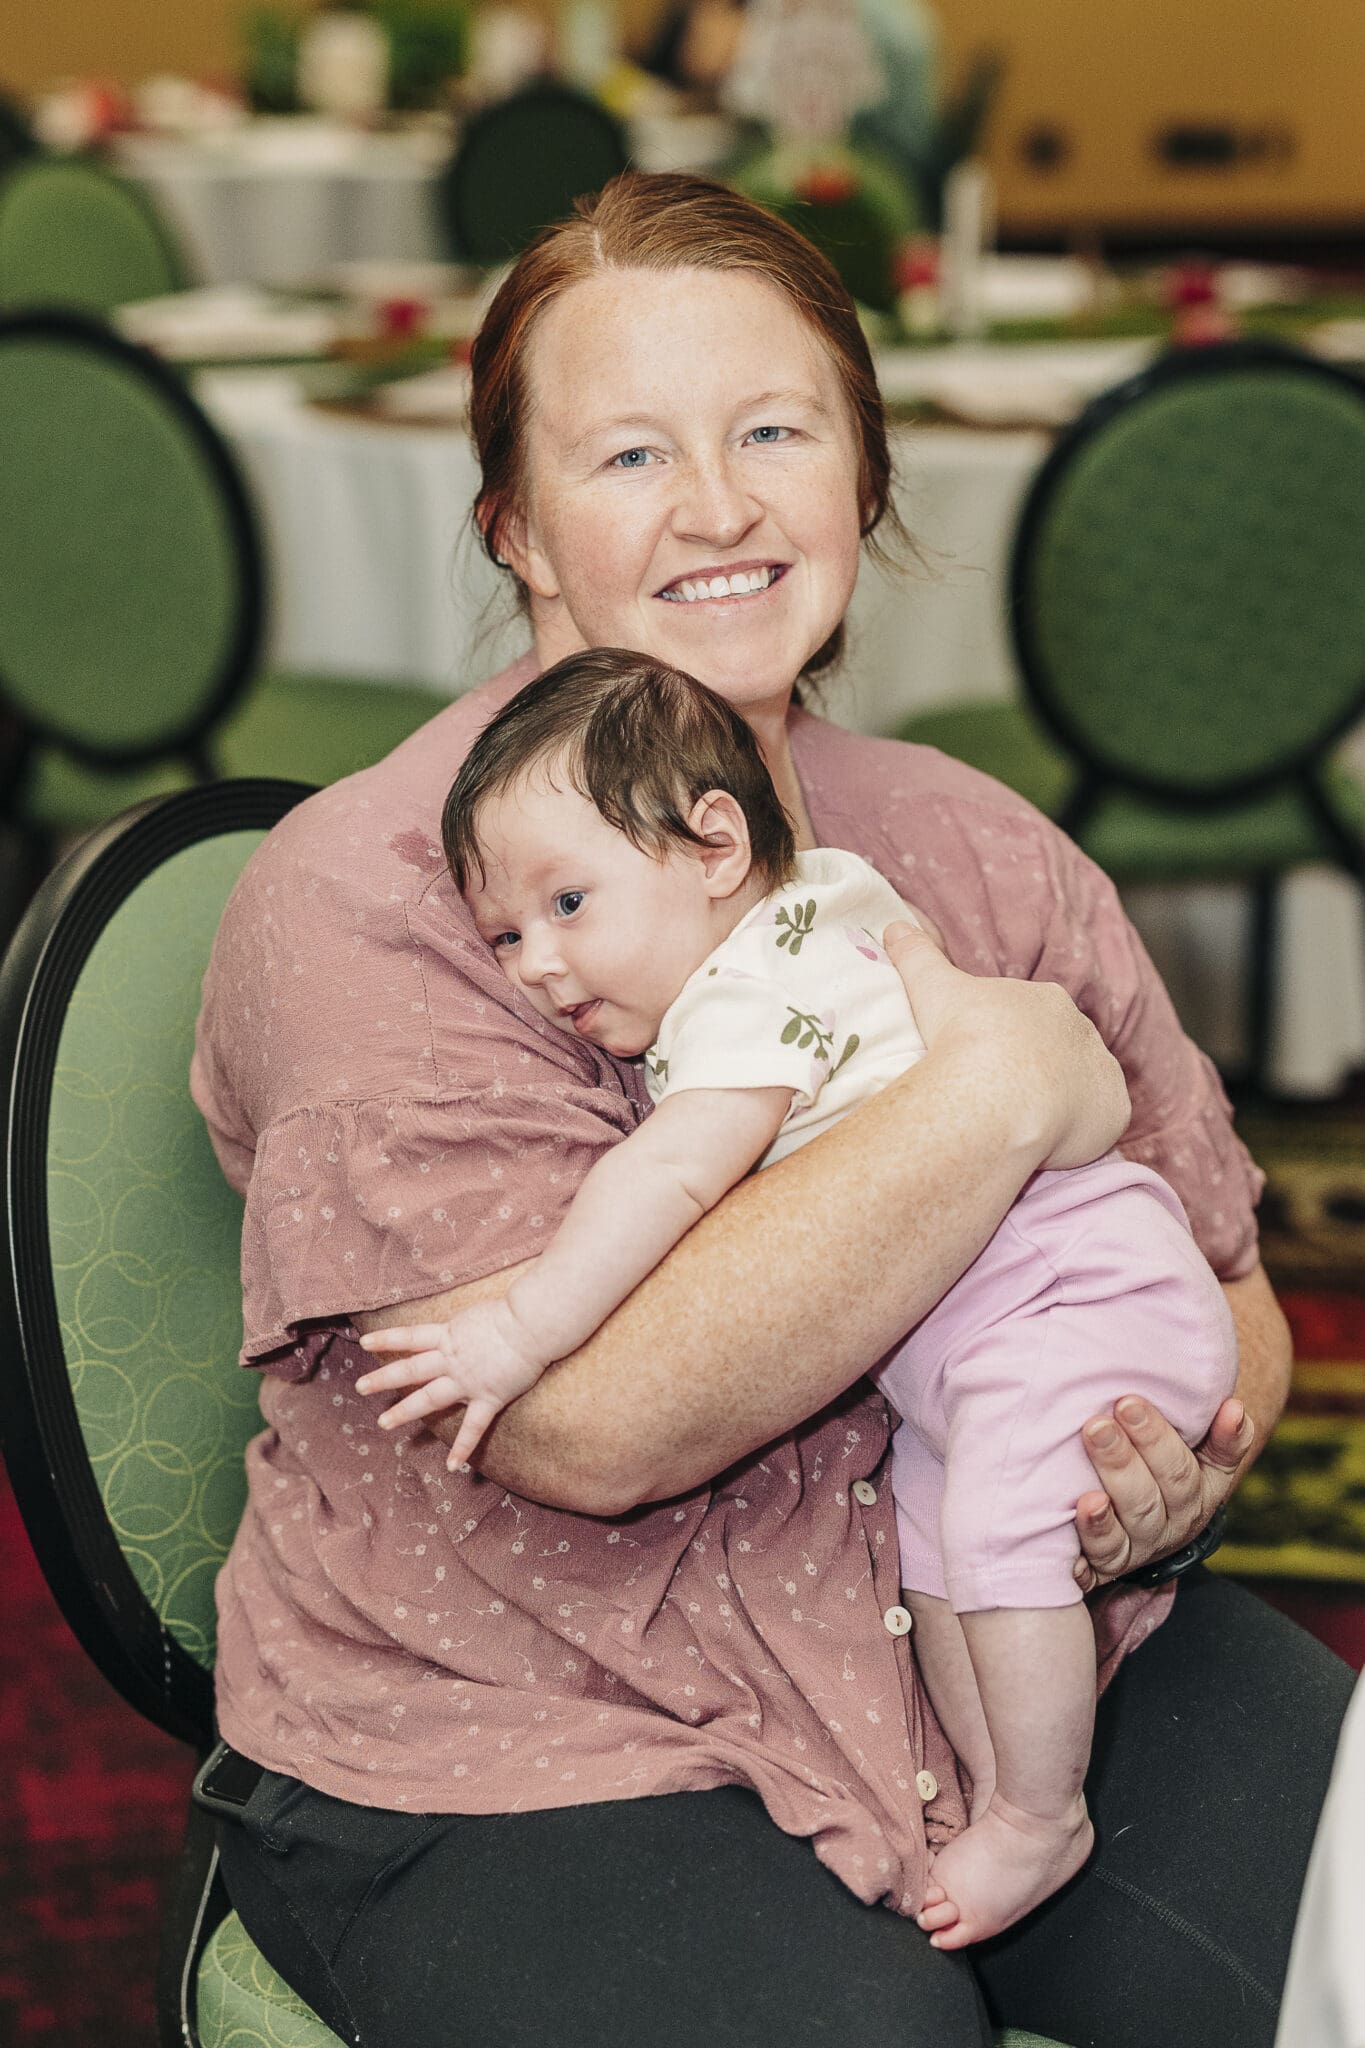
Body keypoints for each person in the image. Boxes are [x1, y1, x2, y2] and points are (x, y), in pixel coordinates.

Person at [191, 171, 1352, 2048]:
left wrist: (1168, 1471)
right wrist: (998, 1087)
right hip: (524, 1724)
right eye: (630, 453)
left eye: (774, 432)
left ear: (862, 477)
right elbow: (587, 1426)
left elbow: (1235, 1295)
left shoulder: (981, 848)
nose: (719, 507)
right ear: (514, 528)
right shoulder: (366, 899)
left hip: (1006, 1643)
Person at [355, 646, 1240, 1948]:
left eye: (568, 902)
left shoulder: (746, 991)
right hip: (1003, 1324)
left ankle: (1039, 1816)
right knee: (941, 1542)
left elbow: (666, 1176)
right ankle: (996, 1789)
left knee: (994, 1532)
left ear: (717, 846)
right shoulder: (825, 898)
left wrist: (519, 1332)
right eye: (506, 934)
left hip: (1062, 1286)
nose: (537, 963)